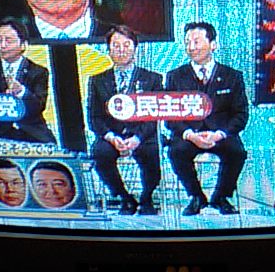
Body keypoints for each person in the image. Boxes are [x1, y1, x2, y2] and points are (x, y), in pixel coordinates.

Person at [166, 22, 249, 215]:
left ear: (213, 44)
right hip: (189, 134)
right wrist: (189, 134)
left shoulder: (232, 76)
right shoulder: (175, 76)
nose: (191, 47)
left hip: (220, 134)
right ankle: (196, 197)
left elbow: (241, 114)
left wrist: (220, 134)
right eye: (187, 42)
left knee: (237, 152)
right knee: (176, 151)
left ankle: (221, 197)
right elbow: (169, 116)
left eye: (196, 41)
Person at [87, 25, 163, 215]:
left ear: (135, 48)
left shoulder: (152, 79)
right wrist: (112, 137)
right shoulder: (97, 80)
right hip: (112, 135)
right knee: (100, 153)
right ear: (108, 50)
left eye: (127, 45)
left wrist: (137, 138)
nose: (121, 50)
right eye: (116, 45)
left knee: (152, 152)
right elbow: (94, 118)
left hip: (143, 135)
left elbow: (155, 116)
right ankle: (124, 198)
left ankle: (147, 198)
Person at [0, 17, 56, 143]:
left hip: (33, 134)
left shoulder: (38, 71)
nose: (2, 45)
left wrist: (22, 92)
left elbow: (38, 107)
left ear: (23, 45)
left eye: (8, 40)